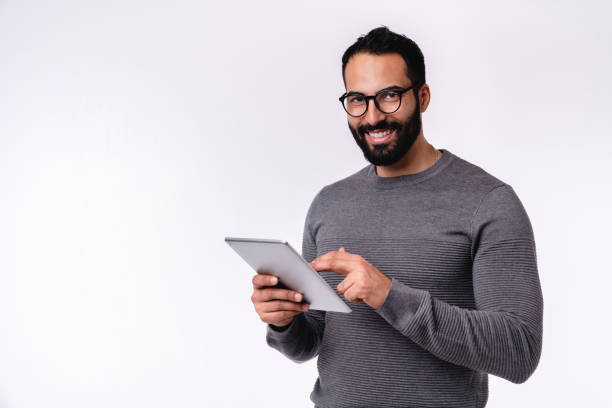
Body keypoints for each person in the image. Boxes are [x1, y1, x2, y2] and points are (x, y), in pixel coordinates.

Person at [250, 26, 543, 408]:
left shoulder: (489, 202)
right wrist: (284, 320)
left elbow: (519, 352)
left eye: (389, 96)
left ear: (422, 96)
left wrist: (389, 295)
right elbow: (314, 341)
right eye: (357, 100)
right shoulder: (328, 203)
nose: (372, 117)